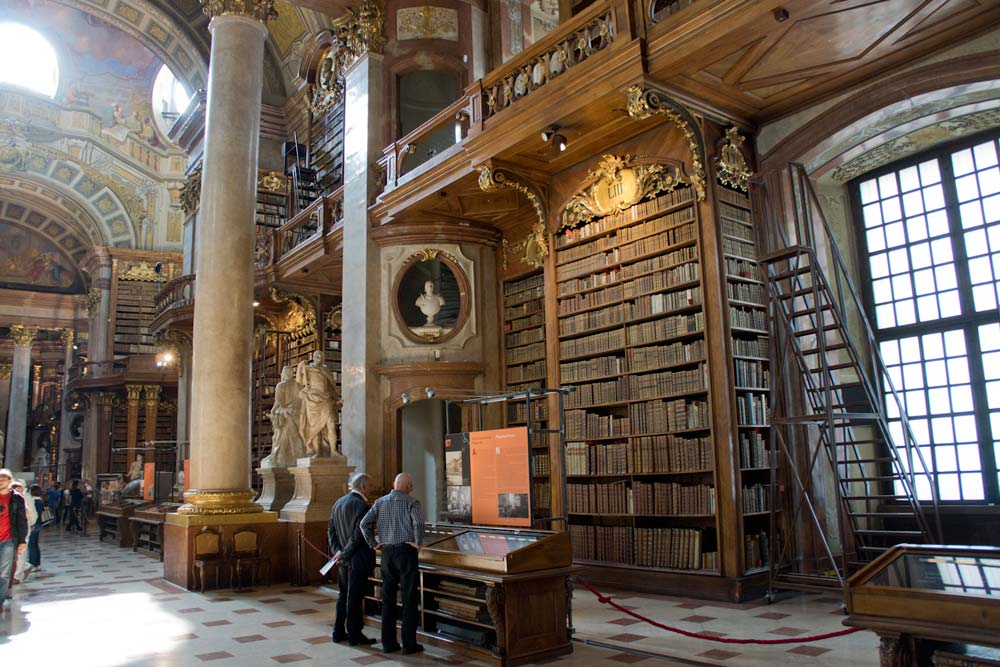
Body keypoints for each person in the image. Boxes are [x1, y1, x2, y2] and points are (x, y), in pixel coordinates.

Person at [360, 472, 425, 655]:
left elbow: (364, 524)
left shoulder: (380, 502)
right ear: (409, 486)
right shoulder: (411, 502)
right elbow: (419, 524)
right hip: (406, 551)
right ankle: (409, 643)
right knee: (409, 598)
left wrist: (374, 544)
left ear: (394, 484)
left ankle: (388, 643)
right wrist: (418, 543)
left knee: (387, 599)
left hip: (387, 551)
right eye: (411, 485)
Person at [328, 473, 376, 647]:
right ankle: (355, 634)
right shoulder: (362, 506)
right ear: (363, 487)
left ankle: (338, 632)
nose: (373, 488)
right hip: (357, 559)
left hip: (344, 560)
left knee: (343, 595)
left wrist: (338, 551)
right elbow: (358, 536)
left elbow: (331, 530)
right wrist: (344, 553)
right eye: (371, 485)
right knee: (355, 597)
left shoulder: (338, 502)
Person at [296, 350, 341, 458]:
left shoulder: (326, 370)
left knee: (331, 424)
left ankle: (334, 450)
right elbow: (299, 381)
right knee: (315, 428)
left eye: (321, 356)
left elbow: (332, 387)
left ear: (324, 358)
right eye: (316, 356)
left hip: (326, 399)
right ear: (313, 357)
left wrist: (336, 399)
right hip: (313, 400)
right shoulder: (308, 369)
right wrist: (299, 368)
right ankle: (317, 452)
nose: (319, 358)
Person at [0, 469, 29, 609]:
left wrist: (22, 541)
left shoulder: (16, 498)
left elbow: (21, 520)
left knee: (5, 573)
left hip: (9, 540)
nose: (1, 481)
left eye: (4, 479)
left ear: (9, 481)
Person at [23, 485, 44, 580]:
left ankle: (33, 563)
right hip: (38, 524)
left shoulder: (35, 502)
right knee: (35, 544)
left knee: (32, 545)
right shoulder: (40, 501)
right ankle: (37, 563)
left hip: (34, 525)